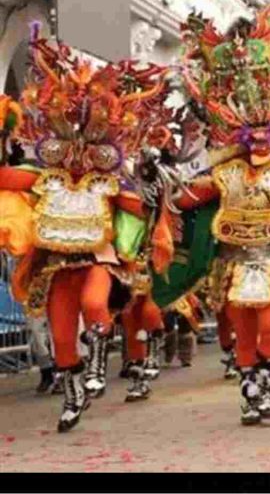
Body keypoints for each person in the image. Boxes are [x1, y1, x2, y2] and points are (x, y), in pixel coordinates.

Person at [0, 43, 172, 432]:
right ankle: (74, 393)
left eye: (88, 148)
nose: (77, 156)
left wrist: (151, 184)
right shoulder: (43, 178)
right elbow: (5, 177)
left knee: (95, 304)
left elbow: (144, 207)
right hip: (56, 264)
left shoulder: (110, 183)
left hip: (99, 259)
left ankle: (98, 362)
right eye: (67, 147)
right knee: (62, 340)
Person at [174, 6, 270, 426]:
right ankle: (252, 391)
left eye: (266, 134)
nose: (258, 142)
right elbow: (183, 200)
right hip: (233, 261)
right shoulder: (223, 174)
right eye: (249, 135)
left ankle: (268, 379)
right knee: (243, 331)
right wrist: (157, 181)